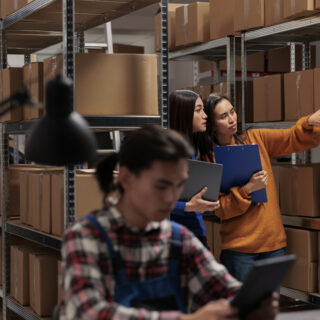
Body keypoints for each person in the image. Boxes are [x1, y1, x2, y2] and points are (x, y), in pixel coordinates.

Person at [59, 125, 278, 320]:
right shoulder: (86, 236)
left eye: (179, 186)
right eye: (161, 186)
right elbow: (89, 312)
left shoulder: (178, 239)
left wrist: (252, 303)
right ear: (126, 178)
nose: (170, 197)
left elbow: (223, 288)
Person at [201, 93, 320, 282]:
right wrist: (247, 189)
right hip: (239, 252)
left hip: (273, 248)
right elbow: (220, 210)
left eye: (232, 112)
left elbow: (292, 138)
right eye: (223, 116)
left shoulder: (256, 138)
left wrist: (309, 122)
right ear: (212, 124)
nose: (232, 119)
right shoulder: (209, 158)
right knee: (244, 311)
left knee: (268, 310)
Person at [169, 90, 220, 246]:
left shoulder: (190, 149)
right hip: (178, 236)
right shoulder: (170, 153)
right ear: (183, 115)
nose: (205, 116)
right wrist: (189, 206)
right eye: (198, 110)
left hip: (195, 232)